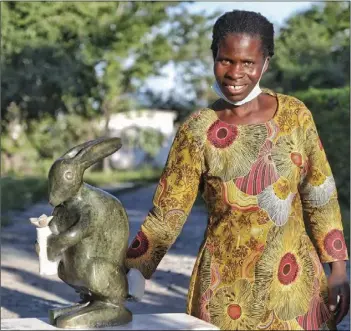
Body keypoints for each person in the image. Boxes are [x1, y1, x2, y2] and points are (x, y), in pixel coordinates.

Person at [125, 10, 350, 330]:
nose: (235, 72)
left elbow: (320, 194)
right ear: (214, 56)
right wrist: (134, 270)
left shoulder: (295, 115)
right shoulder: (197, 130)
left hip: (296, 292)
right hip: (222, 295)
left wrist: (338, 270)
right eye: (226, 60)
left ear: (265, 63)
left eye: (248, 63)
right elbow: (167, 212)